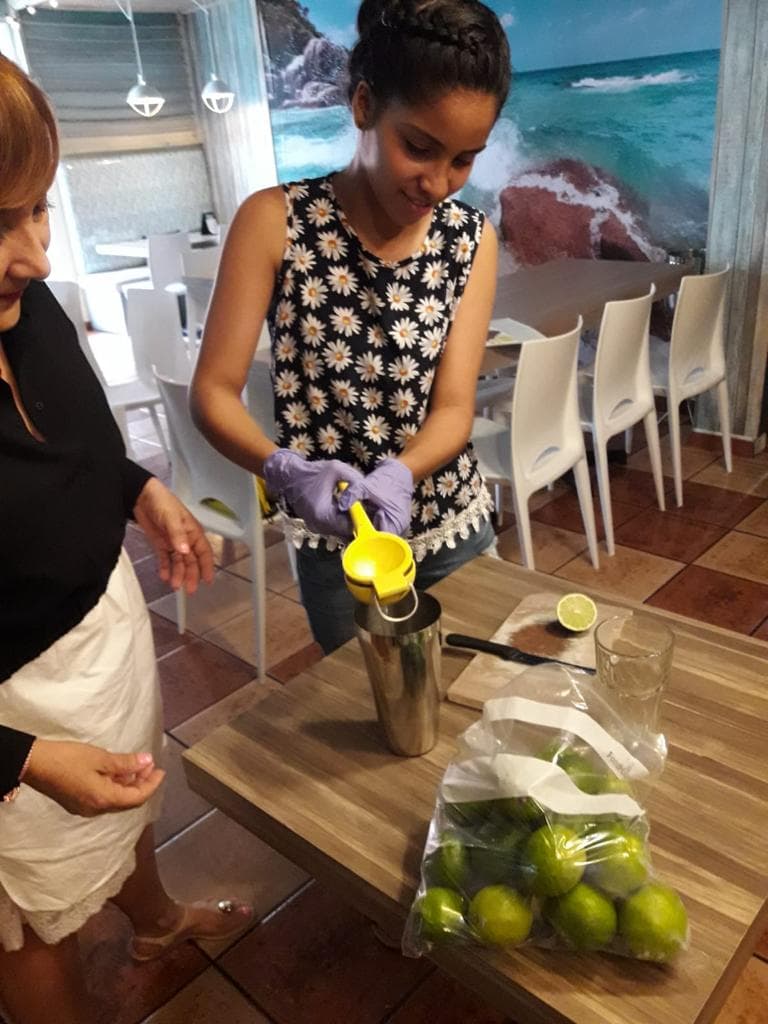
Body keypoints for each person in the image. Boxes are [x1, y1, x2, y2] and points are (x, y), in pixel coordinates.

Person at [0, 55, 252, 1024]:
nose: (39, 254)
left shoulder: (26, 305)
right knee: (29, 919)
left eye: (39, 208)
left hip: (104, 633)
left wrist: (144, 492)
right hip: (17, 706)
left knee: (134, 797)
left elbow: (85, 444)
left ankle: (153, 918)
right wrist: (19, 757)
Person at [192, 0, 511, 653]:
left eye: (464, 159)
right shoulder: (274, 222)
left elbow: (453, 409)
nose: (439, 182)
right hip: (342, 551)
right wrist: (281, 470)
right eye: (418, 147)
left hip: (452, 525)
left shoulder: (471, 239)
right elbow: (212, 392)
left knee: (481, 702)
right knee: (368, 720)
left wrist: (402, 472)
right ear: (364, 105)